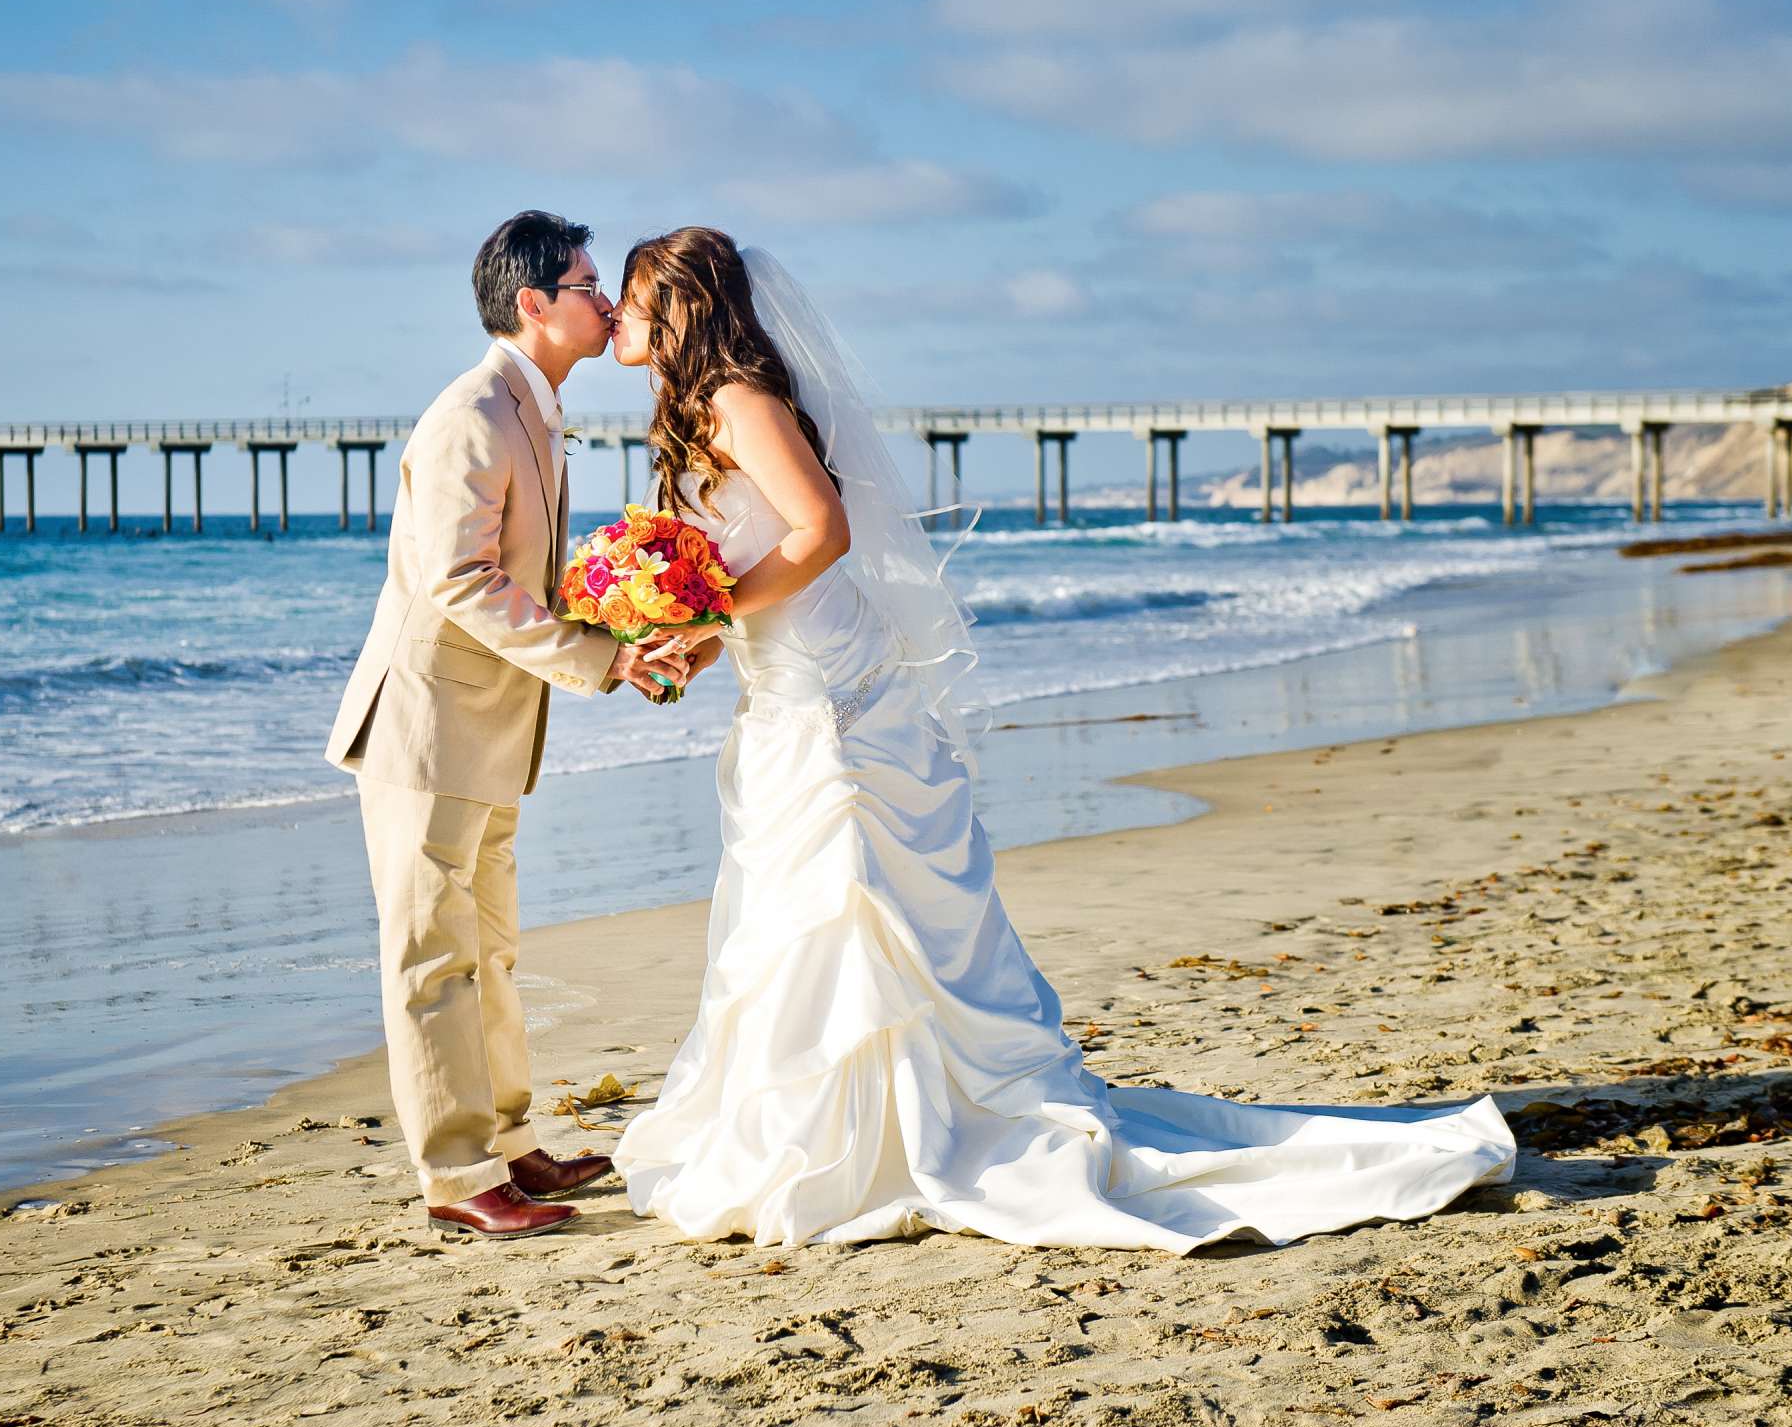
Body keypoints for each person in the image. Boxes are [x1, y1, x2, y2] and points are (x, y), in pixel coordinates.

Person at [609, 227, 1516, 1250]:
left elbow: (823, 530)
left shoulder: (739, 398)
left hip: (827, 691)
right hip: (783, 680)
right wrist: (696, 637)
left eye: (633, 295)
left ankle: (880, 1137)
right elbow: (763, 551)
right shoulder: (698, 411)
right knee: (799, 903)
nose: (616, 316)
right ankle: (840, 1124)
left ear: (681, 304)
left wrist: (711, 609)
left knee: (845, 891)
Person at [324, 212, 691, 1240]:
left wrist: (626, 626)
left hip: (485, 724)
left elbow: (517, 570)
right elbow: (456, 577)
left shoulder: (535, 406)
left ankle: (510, 1139)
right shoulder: (475, 411)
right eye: (585, 283)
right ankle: (455, 1174)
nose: (605, 299)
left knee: (489, 948)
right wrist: (602, 654)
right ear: (533, 304)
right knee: (432, 958)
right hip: (425, 727)